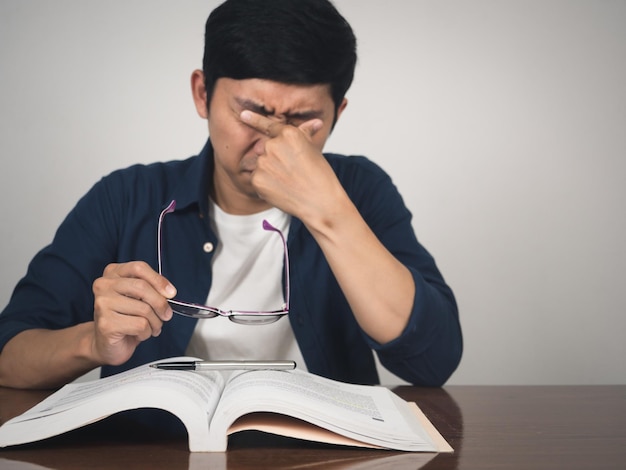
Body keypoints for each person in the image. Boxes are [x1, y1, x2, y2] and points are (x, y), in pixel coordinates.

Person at [0, 0, 462, 390]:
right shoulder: (126, 198)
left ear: (338, 112)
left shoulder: (360, 190)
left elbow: (432, 362)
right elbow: (9, 351)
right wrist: (93, 343)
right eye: (252, 115)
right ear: (203, 94)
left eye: (302, 121)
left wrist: (329, 211)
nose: (274, 144)